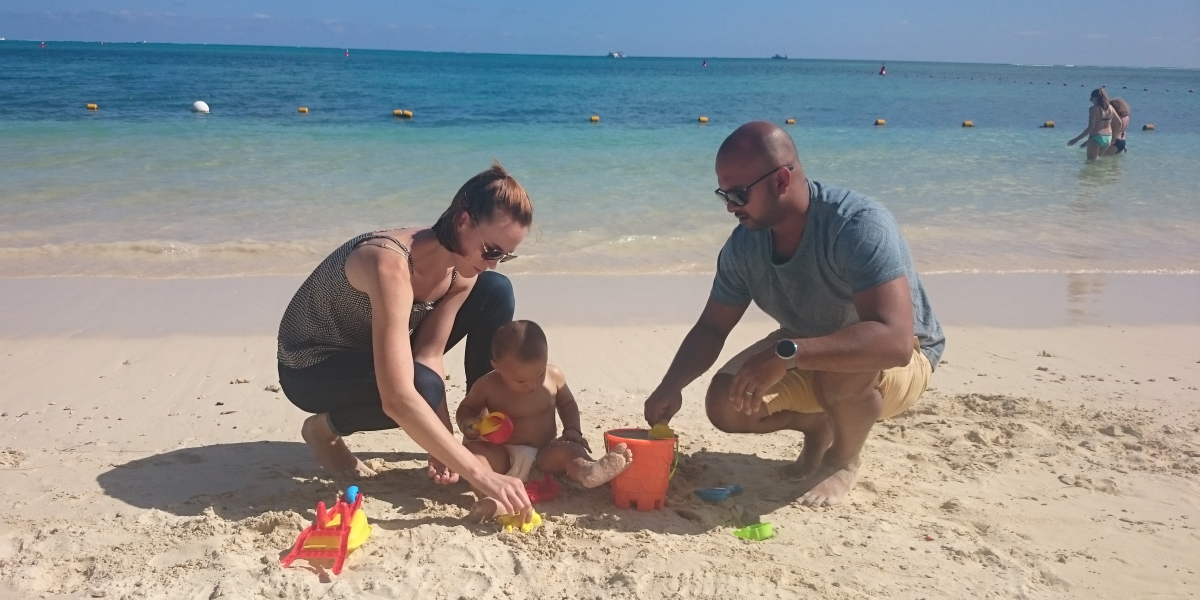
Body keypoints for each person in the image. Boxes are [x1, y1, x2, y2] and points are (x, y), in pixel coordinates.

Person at [643, 122, 944, 508]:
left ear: (781, 179)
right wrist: (672, 385)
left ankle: (842, 459)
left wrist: (788, 354)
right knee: (726, 403)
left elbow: (895, 342)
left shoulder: (856, 226)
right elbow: (712, 326)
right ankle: (819, 426)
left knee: (838, 370)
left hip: (901, 356)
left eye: (738, 194)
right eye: (723, 195)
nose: (731, 206)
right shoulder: (744, 246)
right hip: (806, 343)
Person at [277, 162, 534, 520]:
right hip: (311, 366)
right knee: (420, 389)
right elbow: (400, 397)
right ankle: (324, 430)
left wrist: (443, 442)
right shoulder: (388, 263)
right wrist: (482, 477)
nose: (493, 263)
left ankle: (483, 432)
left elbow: (428, 354)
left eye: (505, 256)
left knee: (496, 290)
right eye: (491, 251)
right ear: (462, 222)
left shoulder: (462, 271)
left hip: (371, 350)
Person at [457, 320, 634, 518]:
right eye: (521, 381)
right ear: (497, 367)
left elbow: (567, 404)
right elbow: (467, 408)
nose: (532, 385)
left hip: (544, 454)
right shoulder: (487, 385)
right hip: (503, 455)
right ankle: (492, 497)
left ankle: (588, 471)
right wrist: (468, 424)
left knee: (569, 449)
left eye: (539, 375)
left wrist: (573, 430)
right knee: (472, 455)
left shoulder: (554, 376)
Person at [1068, 87, 1117, 160]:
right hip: (1108, 138)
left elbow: (1090, 128)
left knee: (1090, 163)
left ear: (1096, 98)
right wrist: (1113, 138)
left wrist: (1076, 140)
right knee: (1098, 162)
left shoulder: (1093, 109)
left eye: (1091, 98)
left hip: (1096, 137)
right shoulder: (1110, 108)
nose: (1091, 100)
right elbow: (1119, 123)